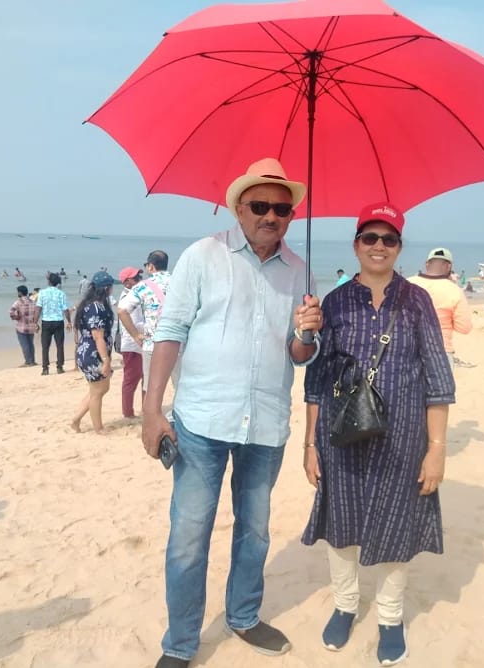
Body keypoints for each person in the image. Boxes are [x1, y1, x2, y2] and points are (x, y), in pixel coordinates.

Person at [141, 158, 323, 668]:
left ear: (292, 216)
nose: (271, 216)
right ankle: (180, 643)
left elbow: (299, 355)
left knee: (255, 532)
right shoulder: (203, 255)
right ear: (239, 208)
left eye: (282, 209)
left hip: (265, 424)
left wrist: (307, 332)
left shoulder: (300, 270)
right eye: (260, 206)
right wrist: (152, 411)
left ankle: (243, 616)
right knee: (188, 537)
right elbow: (169, 332)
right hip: (200, 422)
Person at [302, 202, 455, 666]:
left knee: (395, 525)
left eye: (388, 239)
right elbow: (316, 379)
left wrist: (436, 449)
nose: (379, 246)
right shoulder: (334, 303)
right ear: (356, 246)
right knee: (341, 523)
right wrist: (309, 445)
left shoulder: (417, 300)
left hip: (403, 436)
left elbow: (438, 378)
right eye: (370, 237)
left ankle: (390, 617)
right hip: (340, 433)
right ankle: (346, 605)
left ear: (399, 248)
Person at [408, 248, 473, 371]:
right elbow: (464, 328)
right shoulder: (454, 290)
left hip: (408, 349)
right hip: (441, 349)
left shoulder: (408, 283)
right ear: (449, 266)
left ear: (427, 264)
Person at [117, 250, 171, 396]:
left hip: (153, 343)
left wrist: (135, 335)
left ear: (151, 266)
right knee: (179, 385)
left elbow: (122, 311)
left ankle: (150, 411)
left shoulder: (143, 286)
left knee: (150, 387)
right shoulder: (180, 282)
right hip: (177, 342)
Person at [71, 271, 115, 434]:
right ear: (106, 288)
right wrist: (105, 360)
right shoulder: (96, 308)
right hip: (93, 353)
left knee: (100, 389)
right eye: (111, 286)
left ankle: (76, 419)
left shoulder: (91, 305)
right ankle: (98, 428)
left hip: (89, 351)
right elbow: (98, 336)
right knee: (97, 392)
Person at [117, 267, 144, 418]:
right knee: (131, 379)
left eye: (139, 276)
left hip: (140, 342)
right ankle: (128, 413)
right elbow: (133, 322)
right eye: (136, 278)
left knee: (146, 377)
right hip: (132, 344)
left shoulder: (136, 295)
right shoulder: (127, 298)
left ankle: (145, 409)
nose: (139, 279)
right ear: (127, 282)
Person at [34, 272, 72, 375]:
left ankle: (45, 368)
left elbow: (38, 308)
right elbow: (65, 309)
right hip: (58, 321)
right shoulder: (61, 293)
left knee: (45, 346)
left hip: (46, 322)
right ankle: (59, 367)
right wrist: (69, 321)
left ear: (49, 281)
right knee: (59, 345)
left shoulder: (42, 293)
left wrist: (35, 322)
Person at [9, 285, 37, 367]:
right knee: (31, 344)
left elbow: (11, 312)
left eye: (18, 292)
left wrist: (16, 317)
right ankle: (32, 361)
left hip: (21, 327)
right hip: (31, 326)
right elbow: (36, 312)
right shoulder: (32, 302)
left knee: (24, 344)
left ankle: (28, 362)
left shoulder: (18, 302)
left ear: (20, 293)